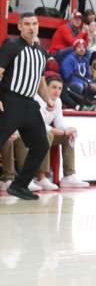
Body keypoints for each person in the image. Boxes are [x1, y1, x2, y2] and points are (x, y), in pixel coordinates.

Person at [0, 13, 51, 200]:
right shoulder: (11, 46)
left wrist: (48, 100)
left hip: (29, 104)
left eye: (35, 24)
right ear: (20, 27)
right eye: (27, 24)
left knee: (41, 145)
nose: (32, 27)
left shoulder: (42, 53)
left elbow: (40, 82)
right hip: (10, 101)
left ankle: (19, 185)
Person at [20, 75, 90, 189]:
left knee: (69, 136)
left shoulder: (58, 101)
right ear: (45, 88)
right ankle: (40, 177)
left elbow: (59, 122)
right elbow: (38, 124)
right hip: (29, 135)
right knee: (46, 134)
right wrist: (57, 131)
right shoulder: (36, 99)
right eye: (54, 87)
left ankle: (69, 176)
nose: (57, 91)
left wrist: (68, 129)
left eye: (59, 88)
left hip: (46, 134)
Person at [60, 39, 96, 104]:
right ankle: (80, 101)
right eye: (79, 47)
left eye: (83, 47)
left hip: (85, 83)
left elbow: (88, 75)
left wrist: (90, 83)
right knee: (79, 87)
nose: (82, 49)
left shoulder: (85, 60)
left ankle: (89, 100)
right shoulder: (69, 59)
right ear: (75, 49)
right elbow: (68, 77)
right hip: (72, 83)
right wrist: (84, 83)